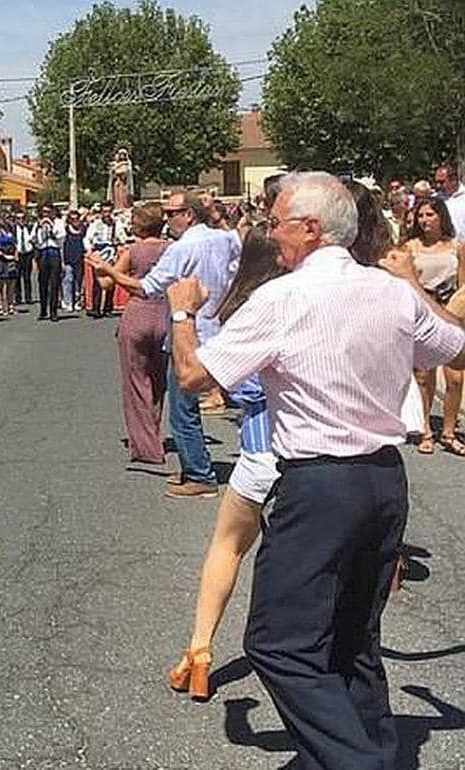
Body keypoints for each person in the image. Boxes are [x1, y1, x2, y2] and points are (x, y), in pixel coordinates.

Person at [167, 171, 465, 769]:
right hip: (384, 479)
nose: (270, 234)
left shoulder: (283, 297)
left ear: (308, 229)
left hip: (320, 482)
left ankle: (360, 762)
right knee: (354, 637)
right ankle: (368, 749)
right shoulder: (391, 291)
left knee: (278, 644)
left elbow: (196, 379)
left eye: (277, 222)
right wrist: (412, 284)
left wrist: (182, 315)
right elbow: (456, 345)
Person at [166, 228, 284, 701]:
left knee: (227, 548)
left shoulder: (245, 315)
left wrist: (184, 315)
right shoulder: (304, 306)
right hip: (309, 457)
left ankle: (200, 650)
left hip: (259, 453)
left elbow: (212, 379)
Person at [92, 191, 240, 498]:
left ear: (188, 214)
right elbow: (237, 267)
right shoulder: (224, 239)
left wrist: (108, 271)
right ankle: (198, 467)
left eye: (172, 212)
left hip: (188, 329)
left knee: (182, 409)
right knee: (239, 396)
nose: (167, 218)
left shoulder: (181, 249)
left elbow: (145, 287)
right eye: (165, 213)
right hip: (219, 326)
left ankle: (200, 474)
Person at [102, 203, 169, 464]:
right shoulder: (170, 250)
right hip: (163, 313)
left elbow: (108, 282)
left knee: (136, 381)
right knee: (158, 380)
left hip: (138, 314)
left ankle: (145, 445)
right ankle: (153, 430)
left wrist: (102, 268)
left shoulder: (132, 251)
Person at [399, 197, 465, 455]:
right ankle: (425, 427)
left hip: (451, 312)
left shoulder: (456, 246)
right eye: (421, 215)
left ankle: (448, 431)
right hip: (423, 312)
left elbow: (463, 285)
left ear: (441, 217)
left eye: (430, 215)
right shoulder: (409, 247)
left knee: (456, 377)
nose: (424, 220)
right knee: (424, 376)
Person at [83, 202, 128, 317]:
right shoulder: (95, 224)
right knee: (97, 281)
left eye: (109, 211)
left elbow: (122, 237)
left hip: (111, 253)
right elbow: (88, 238)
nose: (106, 214)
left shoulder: (116, 224)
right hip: (99, 252)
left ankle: (108, 308)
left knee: (111, 279)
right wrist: (89, 250)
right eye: (104, 212)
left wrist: (119, 242)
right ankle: (95, 308)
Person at [34, 205, 66, 321]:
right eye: (44, 212)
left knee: (54, 283)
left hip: (54, 252)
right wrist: (38, 227)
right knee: (42, 282)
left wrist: (51, 227)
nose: (46, 214)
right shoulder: (38, 223)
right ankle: (43, 310)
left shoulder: (58, 222)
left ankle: (53, 311)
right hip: (43, 252)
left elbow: (61, 237)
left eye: (48, 212)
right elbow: (33, 239)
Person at [0, 216, 19, 317]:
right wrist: (3, 255)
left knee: (11, 284)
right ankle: (0, 306)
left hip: (11, 259)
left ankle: (10, 305)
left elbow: (15, 244)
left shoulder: (11, 231)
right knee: (0, 284)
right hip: (1, 260)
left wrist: (16, 255)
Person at [63, 210, 86, 311]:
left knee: (78, 281)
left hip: (80, 258)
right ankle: (68, 302)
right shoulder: (66, 229)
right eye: (72, 219)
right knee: (68, 280)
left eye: (76, 219)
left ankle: (77, 301)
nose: (75, 221)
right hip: (68, 258)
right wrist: (62, 260)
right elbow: (62, 245)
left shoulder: (83, 230)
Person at [434, 163, 465, 237]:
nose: (438, 186)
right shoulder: (435, 199)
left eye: (441, 182)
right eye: (436, 182)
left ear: (453, 180)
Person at [16, 211, 37, 305]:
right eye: (18, 218)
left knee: (27, 277)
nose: (21, 220)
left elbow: (33, 240)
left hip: (28, 254)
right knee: (17, 277)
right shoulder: (13, 229)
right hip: (18, 254)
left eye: (22, 218)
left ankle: (28, 297)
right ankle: (18, 298)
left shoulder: (29, 228)